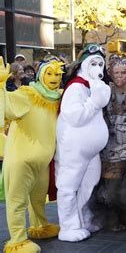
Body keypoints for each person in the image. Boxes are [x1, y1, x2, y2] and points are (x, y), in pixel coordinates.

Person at [1, 58, 64, 253]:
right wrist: (1, 86)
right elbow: (8, 107)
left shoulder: (57, 97)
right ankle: (17, 240)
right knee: (17, 201)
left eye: (57, 74)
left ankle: (39, 226)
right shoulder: (28, 94)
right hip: (21, 160)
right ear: (40, 75)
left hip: (42, 162)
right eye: (49, 74)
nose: (54, 78)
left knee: (37, 199)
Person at [55, 44, 111, 242]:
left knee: (90, 183)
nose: (97, 67)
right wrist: (94, 102)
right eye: (93, 63)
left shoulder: (94, 85)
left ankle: (83, 219)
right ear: (84, 64)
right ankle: (68, 227)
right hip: (73, 147)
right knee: (69, 186)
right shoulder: (76, 87)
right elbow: (75, 116)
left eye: (100, 64)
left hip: (90, 151)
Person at [88, 59, 126, 232]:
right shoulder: (105, 91)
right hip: (111, 144)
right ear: (111, 74)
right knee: (112, 186)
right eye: (116, 73)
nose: (120, 76)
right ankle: (114, 219)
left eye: (124, 72)